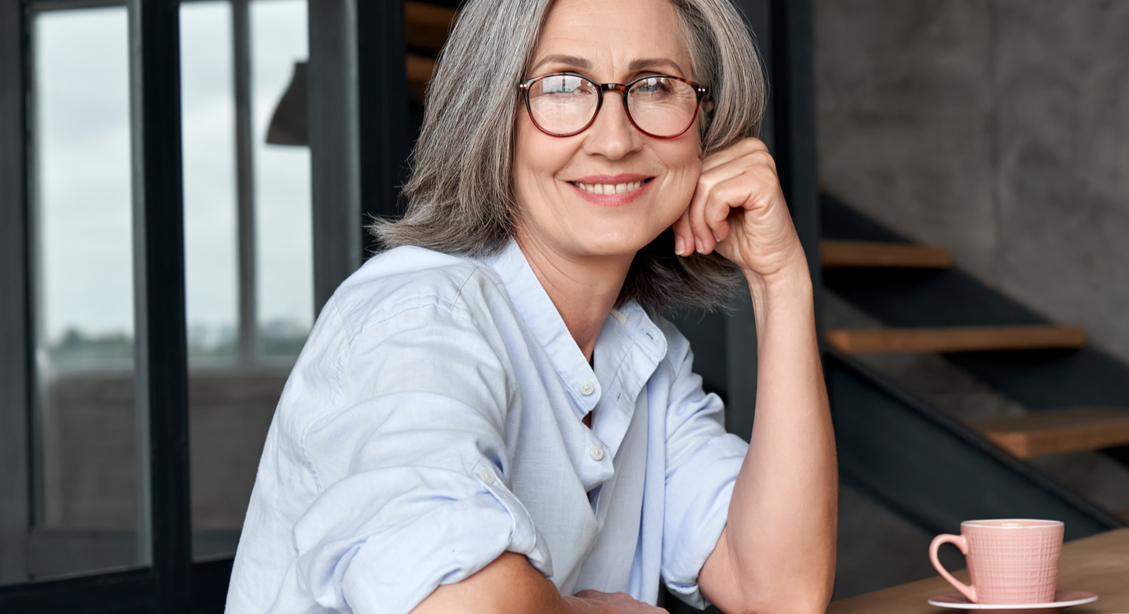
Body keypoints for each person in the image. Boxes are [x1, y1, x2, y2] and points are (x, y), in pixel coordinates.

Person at [223, 0, 837, 612]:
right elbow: (460, 606)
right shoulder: (417, 317)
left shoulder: (642, 358)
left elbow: (780, 592)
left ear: (706, 121)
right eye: (564, 85)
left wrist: (781, 282)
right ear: (492, 116)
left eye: (654, 85)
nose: (615, 139)